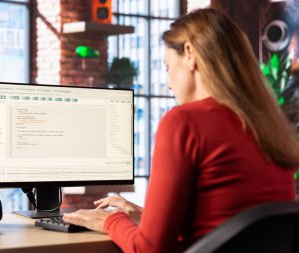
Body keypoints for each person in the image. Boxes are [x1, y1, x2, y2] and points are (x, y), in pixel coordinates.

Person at [63, 8, 299, 253]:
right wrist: (147, 217)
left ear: (189, 53)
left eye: (167, 67)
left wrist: (111, 220)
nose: (167, 85)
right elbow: (225, 225)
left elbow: (148, 250)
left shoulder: (184, 122)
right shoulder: (269, 128)